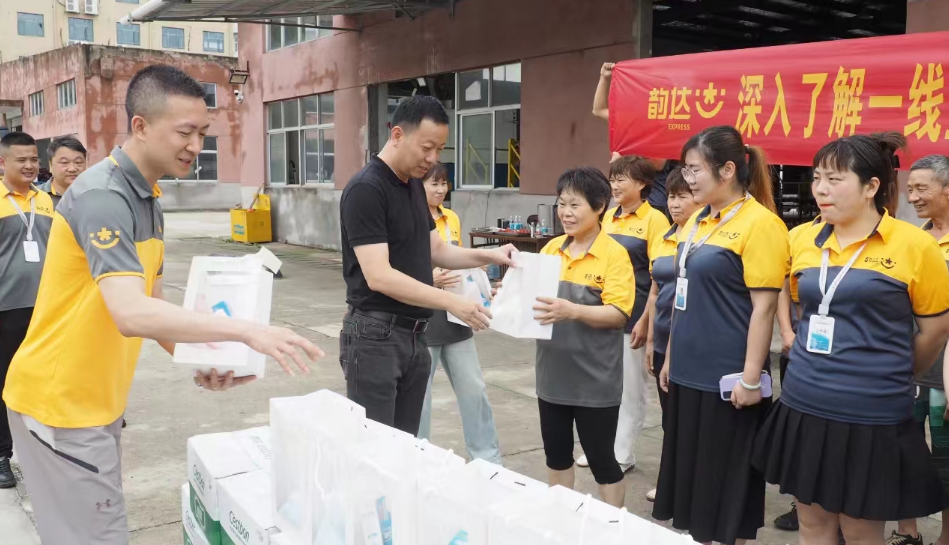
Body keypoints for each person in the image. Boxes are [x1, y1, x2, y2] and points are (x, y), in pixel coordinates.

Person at [2, 65, 324, 545]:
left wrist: (203, 360)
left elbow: (153, 306)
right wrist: (245, 331)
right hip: (60, 404)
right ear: (140, 126)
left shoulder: (147, 198)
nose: (196, 145)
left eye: (203, 133)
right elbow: (130, 314)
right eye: (185, 132)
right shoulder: (102, 196)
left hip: (95, 401)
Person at [752, 135, 949, 545]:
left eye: (834, 179)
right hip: (805, 402)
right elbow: (802, 304)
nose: (820, 189)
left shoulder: (914, 245)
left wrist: (893, 370)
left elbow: (934, 329)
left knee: (860, 530)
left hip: (871, 412)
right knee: (812, 523)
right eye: (817, 178)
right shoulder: (803, 239)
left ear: (871, 186)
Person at [339, 95, 515, 435]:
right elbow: (379, 276)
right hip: (375, 337)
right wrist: (452, 302)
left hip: (414, 335)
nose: (433, 158)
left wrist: (491, 255)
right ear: (397, 135)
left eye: (440, 149)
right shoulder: (366, 189)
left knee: (406, 442)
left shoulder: (413, 189)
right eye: (427, 148)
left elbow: (437, 249)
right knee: (376, 444)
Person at [652, 125, 787, 545]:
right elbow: (683, 297)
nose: (687, 179)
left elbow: (764, 308)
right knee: (695, 479)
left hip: (727, 378)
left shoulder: (761, 224)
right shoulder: (698, 220)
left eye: (694, 170)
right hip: (687, 370)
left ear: (727, 169)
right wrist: (671, 358)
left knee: (726, 484)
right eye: (685, 169)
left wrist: (751, 378)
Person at [533, 166, 634, 508]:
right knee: (557, 455)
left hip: (595, 381)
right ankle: (561, 521)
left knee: (603, 461)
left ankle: (612, 527)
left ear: (599, 206)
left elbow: (618, 314)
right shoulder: (550, 250)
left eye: (575, 205)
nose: (566, 212)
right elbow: (534, 303)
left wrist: (572, 310)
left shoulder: (614, 255)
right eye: (562, 204)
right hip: (552, 376)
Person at [575, 156, 669, 474]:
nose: (613, 185)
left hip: (634, 315)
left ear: (641, 183)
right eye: (612, 179)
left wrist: (646, 320)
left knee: (630, 388)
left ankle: (622, 452)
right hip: (600, 310)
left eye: (621, 179)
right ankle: (599, 447)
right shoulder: (607, 217)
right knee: (599, 384)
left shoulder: (655, 220)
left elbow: (658, 276)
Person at [417, 163, 502, 464]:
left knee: (474, 389)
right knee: (420, 397)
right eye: (433, 184)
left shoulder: (451, 217)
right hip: (424, 314)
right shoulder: (409, 217)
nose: (440, 190)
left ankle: (488, 460)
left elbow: (457, 259)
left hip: (457, 313)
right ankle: (417, 457)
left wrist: (479, 278)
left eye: (444, 184)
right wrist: (429, 279)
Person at [886, 154, 949, 545]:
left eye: (921, 188)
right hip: (909, 371)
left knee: (945, 455)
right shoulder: (913, 240)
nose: (912, 197)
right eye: (910, 189)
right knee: (902, 451)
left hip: (946, 378)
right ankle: (906, 532)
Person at [0, 132, 54, 489]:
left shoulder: (45, 200)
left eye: (34, 159)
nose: (30, 165)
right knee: (3, 383)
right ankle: (1, 456)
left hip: (46, 308)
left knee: (42, 381)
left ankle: (41, 453)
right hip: (6, 307)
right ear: (3, 162)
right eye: (22, 159)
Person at [642, 168, 700, 502]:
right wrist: (651, 340)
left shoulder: (700, 240)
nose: (675, 204)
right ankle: (672, 481)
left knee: (686, 419)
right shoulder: (664, 237)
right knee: (668, 418)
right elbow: (655, 292)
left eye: (683, 196)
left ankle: (686, 484)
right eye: (672, 197)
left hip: (688, 342)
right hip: (662, 338)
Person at [593, 62, 671, 217]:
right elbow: (598, 110)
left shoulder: (660, 122)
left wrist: (623, 159)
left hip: (654, 199)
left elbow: (658, 164)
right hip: (629, 196)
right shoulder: (628, 119)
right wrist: (604, 78)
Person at [38, 135, 87, 206]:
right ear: (50, 165)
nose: (72, 169)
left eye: (78, 162)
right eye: (64, 162)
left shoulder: (94, 195)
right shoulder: (35, 196)